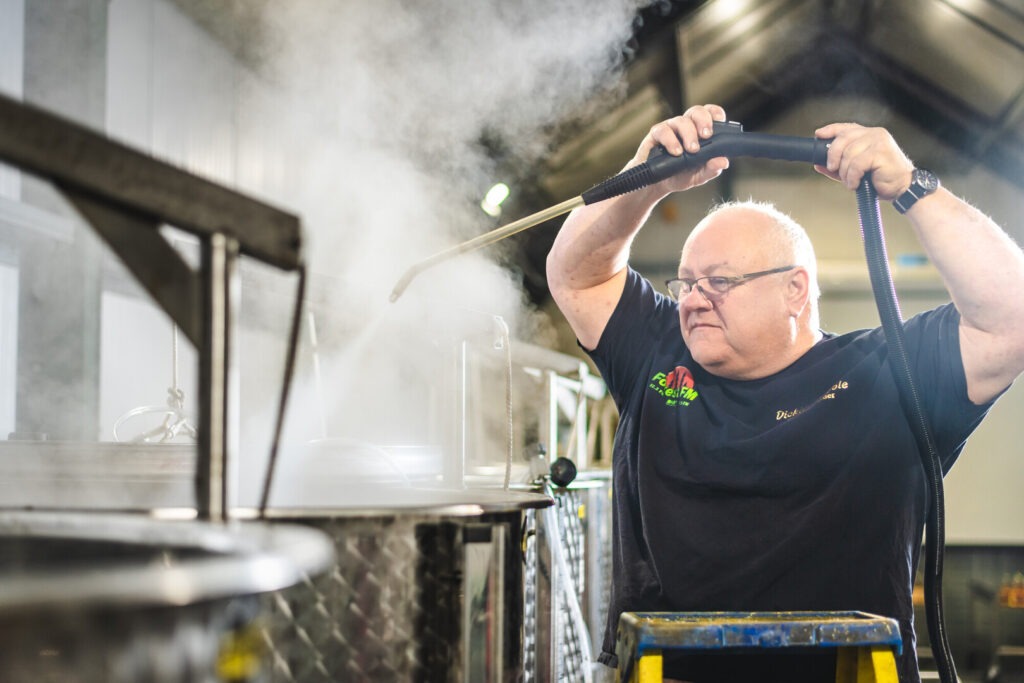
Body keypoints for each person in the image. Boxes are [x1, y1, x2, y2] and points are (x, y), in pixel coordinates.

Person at [546, 104, 1024, 683]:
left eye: (719, 282)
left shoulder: (889, 374)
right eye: (688, 283)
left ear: (795, 290)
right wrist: (647, 180)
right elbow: (577, 275)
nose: (694, 299)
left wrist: (912, 188)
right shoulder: (660, 354)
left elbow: (1011, 319)